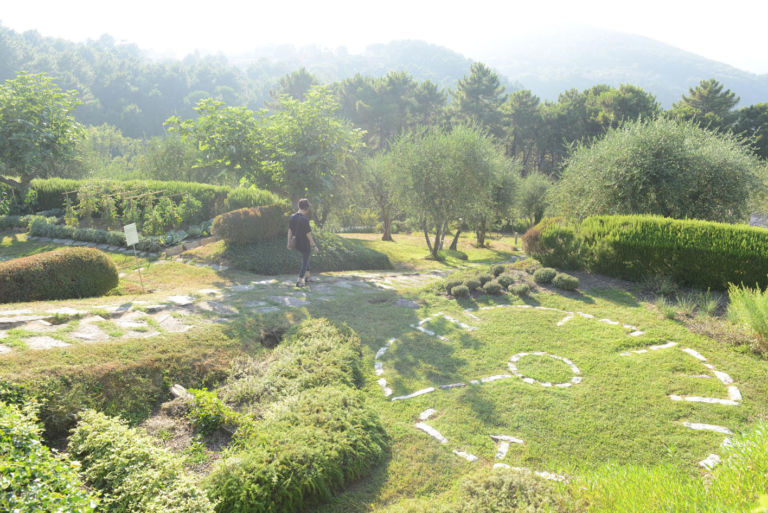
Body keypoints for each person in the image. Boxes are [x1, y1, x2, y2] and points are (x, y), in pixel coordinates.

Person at [288, 198, 318, 287]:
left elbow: (289, 231)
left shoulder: (292, 217)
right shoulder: (304, 220)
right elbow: (308, 234)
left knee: (306, 258)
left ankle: (307, 277)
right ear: (306, 208)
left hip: (296, 242)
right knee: (305, 261)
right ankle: (300, 280)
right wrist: (314, 245)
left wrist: (289, 242)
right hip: (304, 244)